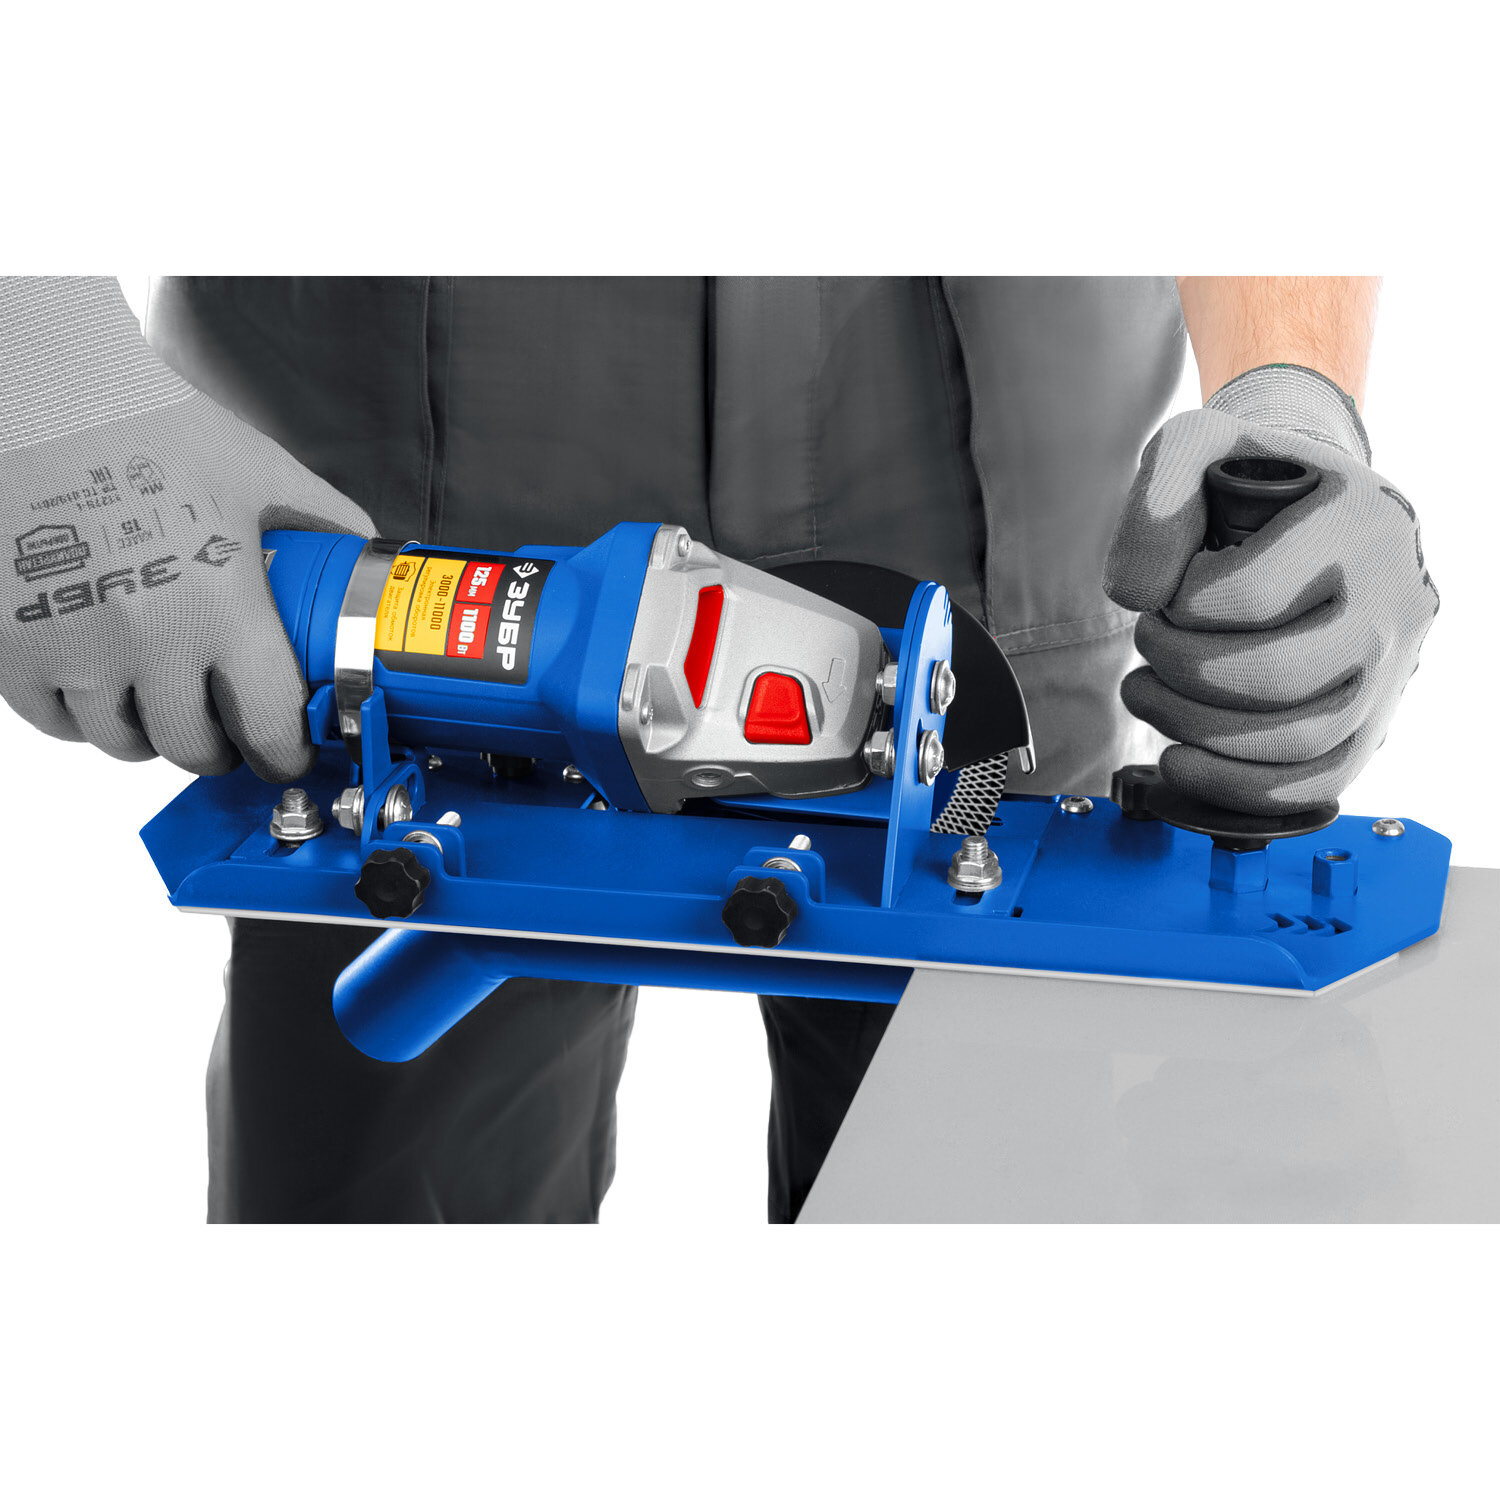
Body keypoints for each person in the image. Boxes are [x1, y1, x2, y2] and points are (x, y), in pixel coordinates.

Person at [0, 276, 1438, 1223]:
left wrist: (1289, 391)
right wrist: (41, 369)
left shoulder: (963, 721)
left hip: (982, 548)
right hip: (391, 520)